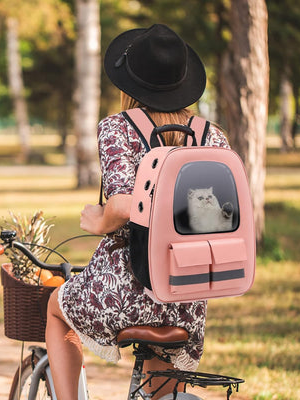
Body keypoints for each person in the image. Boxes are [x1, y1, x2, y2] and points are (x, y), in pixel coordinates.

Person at [46, 24, 230, 400]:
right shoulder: (212, 136)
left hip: (126, 291)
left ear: (129, 85)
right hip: (186, 296)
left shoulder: (118, 129)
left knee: (54, 308)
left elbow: (122, 203)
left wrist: (99, 221)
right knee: (158, 391)